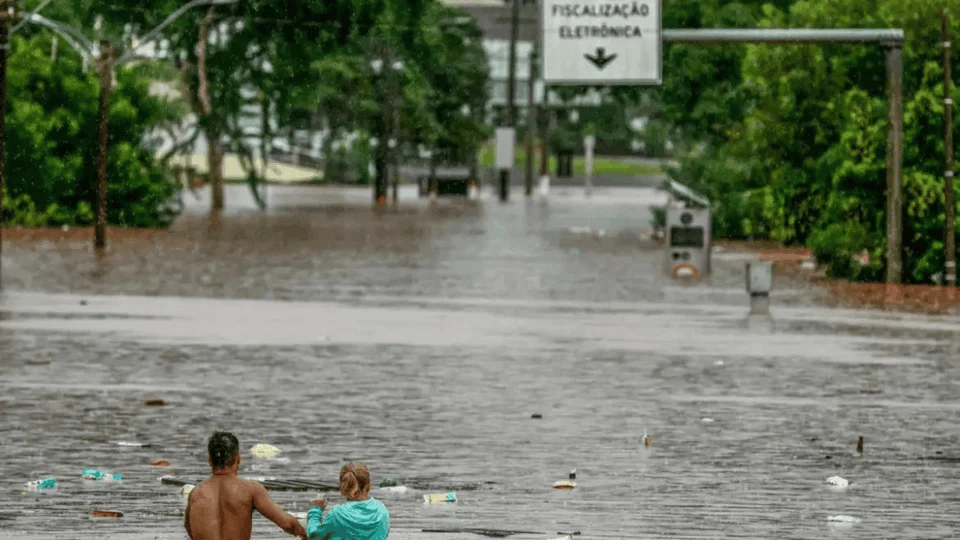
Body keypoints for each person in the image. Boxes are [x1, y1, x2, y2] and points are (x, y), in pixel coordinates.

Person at [185, 431, 306, 540]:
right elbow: (287, 524)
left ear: (210, 460)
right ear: (238, 459)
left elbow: (189, 528)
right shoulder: (250, 489)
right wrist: (305, 534)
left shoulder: (196, 493)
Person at [306, 463, 389, 540]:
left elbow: (314, 536)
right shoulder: (381, 511)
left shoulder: (337, 514)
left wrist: (315, 510)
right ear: (368, 486)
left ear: (343, 488)